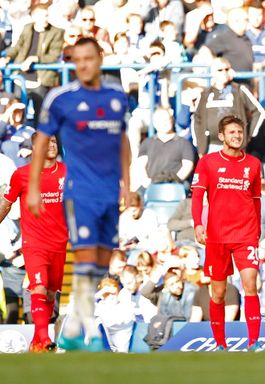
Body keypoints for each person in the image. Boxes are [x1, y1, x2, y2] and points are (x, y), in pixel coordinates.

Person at [28, 37, 130, 352]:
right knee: (86, 253)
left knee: (101, 258)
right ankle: (85, 326)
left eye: (90, 58)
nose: (84, 64)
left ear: (100, 58)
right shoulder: (61, 98)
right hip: (79, 191)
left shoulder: (116, 96)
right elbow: (42, 143)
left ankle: (74, 324)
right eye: (78, 59)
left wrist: (128, 182)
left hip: (109, 191)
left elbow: (122, 140)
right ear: (74, 63)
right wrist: (33, 187)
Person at [191, 115, 263, 351]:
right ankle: (220, 343)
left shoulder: (253, 164)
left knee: (251, 285)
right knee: (219, 292)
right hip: (218, 236)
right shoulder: (208, 162)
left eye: (240, 132)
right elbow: (198, 195)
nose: (237, 136)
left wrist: (257, 230)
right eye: (232, 132)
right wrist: (198, 224)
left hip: (246, 234)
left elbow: (256, 200)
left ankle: (254, 342)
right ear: (221, 136)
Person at [0, 134, 66, 352]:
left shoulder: (67, 173)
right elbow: (6, 204)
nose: (52, 145)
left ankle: (37, 342)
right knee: (39, 285)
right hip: (34, 242)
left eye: (55, 142)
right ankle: (45, 339)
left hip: (59, 243)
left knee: (50, 293)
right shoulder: (22, 175)